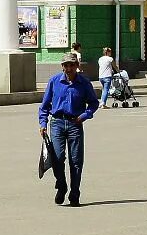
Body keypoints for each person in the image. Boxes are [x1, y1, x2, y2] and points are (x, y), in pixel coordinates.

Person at [38, 52, 100, 207]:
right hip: (57, 123)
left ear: (77, 66)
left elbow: (94, 103)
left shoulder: (84, 83)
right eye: (66, 65)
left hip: (75, 124)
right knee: (57, 158)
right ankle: (61, 185)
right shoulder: (54, 82)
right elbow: (45, 106)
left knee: (76, 161)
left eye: (72, 65)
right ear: (62, 67)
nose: (69, 68)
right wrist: (43, 124)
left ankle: (75, 194)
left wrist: (84, 116)